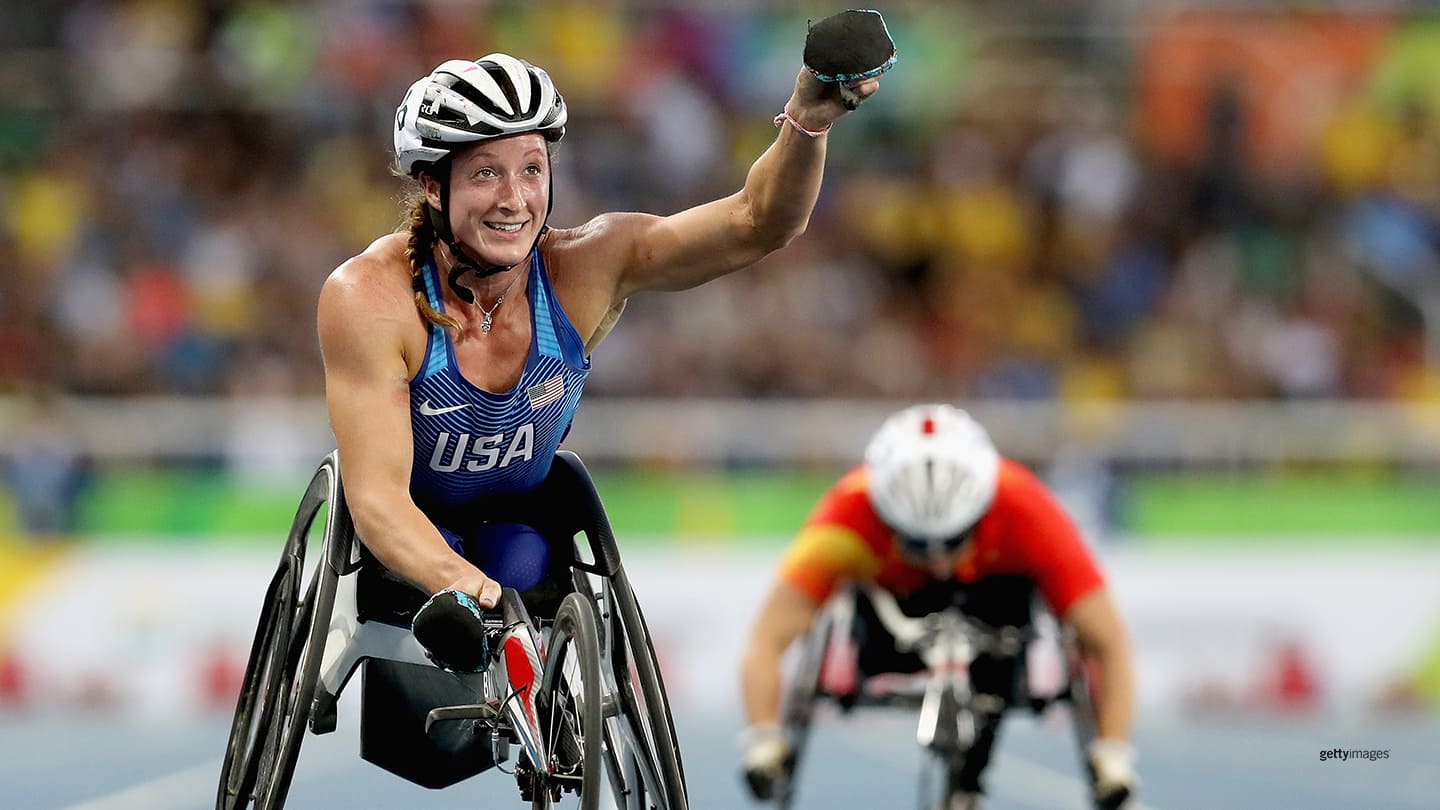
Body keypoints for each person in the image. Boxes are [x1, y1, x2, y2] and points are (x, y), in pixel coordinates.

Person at [316, 50, 880, 645]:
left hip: (523, 523)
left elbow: (756, 221)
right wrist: (467, 586)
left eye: (531, 170)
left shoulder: (585, 267)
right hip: (410, 527)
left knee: (520, 561)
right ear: (433, 184)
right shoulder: (371, 298)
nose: (515, 199)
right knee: (466, 594)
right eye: (486, 173)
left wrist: (808, 119)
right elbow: (377, 497)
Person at [739, 404, 1138, 810]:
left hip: (997, 620)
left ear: (981, 512)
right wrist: (764, 739)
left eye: (952, 542)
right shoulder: (846, 515)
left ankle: (971, 777)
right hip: (891, 624)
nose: (938, 564)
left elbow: (1107, 641)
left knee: (1016, 607)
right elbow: (768, 638)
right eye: (917, 545)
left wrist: (1112, 753)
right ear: (885, 517)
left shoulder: (1026, 508)